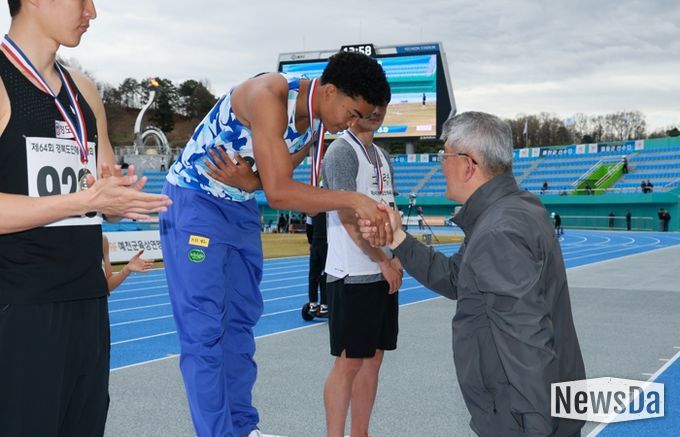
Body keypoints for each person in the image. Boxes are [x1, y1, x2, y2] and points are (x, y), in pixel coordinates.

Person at [159, 51, 392, 437]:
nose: (351, 124)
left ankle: (242, 427)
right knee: (204, 330)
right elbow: (281, 192)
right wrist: (353, 199)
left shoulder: (315, 124)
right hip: (196, 201)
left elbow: (269, 181)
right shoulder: (269, 95)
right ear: (329, 91)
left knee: (239, 323)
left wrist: (253, 182)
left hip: (239, 207)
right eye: (353, 113)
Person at [0, 1, 171, 435]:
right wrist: (80, 200)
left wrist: (117, 200)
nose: (91, 11)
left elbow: (99, 190)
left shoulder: (84, 91)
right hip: (20, 306)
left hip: (88, 302)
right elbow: (82, 198)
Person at [360, 112, 585, 437]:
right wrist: (398, 239)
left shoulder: (499, 231)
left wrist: (538, 427)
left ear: (468, 165)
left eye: (445, 156)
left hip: (520, 420)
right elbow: (456, 278)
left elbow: (527, 342)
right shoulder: (511, 210)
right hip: (525, 412)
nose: (441, 165)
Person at [322, 105, 402, 437]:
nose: (376, 112)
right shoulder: (341, 151)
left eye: (381, 105)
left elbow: (392, 209)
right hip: (351, 273)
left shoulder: (382, 156)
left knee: (373, 359)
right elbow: (347, 216)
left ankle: (361, 433)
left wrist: (395, 255)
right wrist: (382, 260)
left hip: (383, 272)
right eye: (369, 105)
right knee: (349, 361)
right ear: (353, 110)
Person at [307, 210, 328, 317]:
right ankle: (324, 305)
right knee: (326, 275)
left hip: (316, 243)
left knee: (313, 276)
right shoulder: (330, 209)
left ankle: (313, 304)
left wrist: (310, 242)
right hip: (326, 244)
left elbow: (309, 227)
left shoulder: (312, 209)